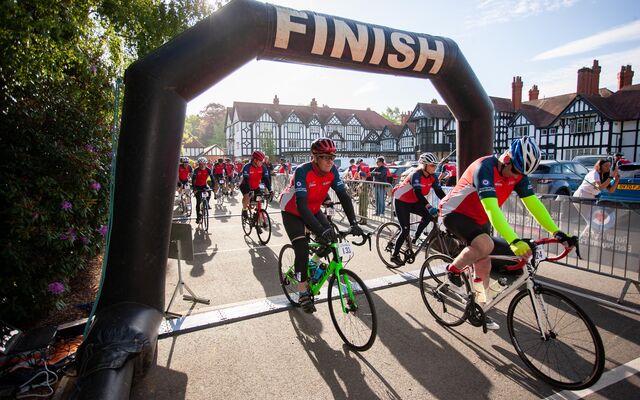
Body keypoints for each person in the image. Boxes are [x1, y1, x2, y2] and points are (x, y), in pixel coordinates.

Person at [439, 136, 577, 330]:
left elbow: (534, 205)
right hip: (455, 212)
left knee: (484, 262)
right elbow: (492, 209)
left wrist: (557, 232)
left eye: (520, 174)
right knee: (484, 246)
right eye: (514, 170)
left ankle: (478, 306)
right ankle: (452, 269)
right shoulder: (484, 168)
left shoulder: (518, 173)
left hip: (478, 218)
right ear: (506, 159)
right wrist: (513, 240)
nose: (515, 176)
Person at [279, 138, 363, 313]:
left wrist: (354, 222)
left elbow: (344, 196)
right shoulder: (303, 171)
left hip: (314, 207)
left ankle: (313, 263)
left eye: (332, 157)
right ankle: (302, 291)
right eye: (325, 157)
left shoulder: (332, 171)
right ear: (315, 157)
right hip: (292, 210)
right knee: (301, 249)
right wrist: (320, 230)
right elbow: (301, 205)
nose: (330, 161)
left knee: (331, 240)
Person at [390, 153, 446, 266]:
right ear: (424, 165)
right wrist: (429, 206)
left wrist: (448, 203)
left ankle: (415, 237)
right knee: (405, 230)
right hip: (401, 201)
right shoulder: (416, 174)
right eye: (432, 165)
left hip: (413, 201)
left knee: (429, 216)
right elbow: (418, 193)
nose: (434, 168)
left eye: (435, 165)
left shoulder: (433, 176)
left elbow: (439, 192)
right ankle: (394, 255)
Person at [572, 158, 620, 237]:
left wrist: (617, 180)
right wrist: (611, 177)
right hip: (582, 195)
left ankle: (583, 238)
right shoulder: (594, 174)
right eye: (606, 166)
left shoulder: (604, 176)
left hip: (589, 197)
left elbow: (611, 190)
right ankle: (590, 237)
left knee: (593, 220)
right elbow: (599, 187)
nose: (608, 168)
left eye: (609, 166)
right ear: (599, 166)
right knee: (592, 220)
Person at [240, 151, 272, 219]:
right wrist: (249, 191)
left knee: (259, 200)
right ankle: (244, 209)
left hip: (256, 186)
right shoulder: (247, 167)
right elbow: (246, 179)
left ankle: (258, 219)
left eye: (262, 160)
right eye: (260, 160)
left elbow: (266, 179)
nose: (262, 162)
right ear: (255, 160)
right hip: (245, 185)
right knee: (247, 196)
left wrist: (270, 190)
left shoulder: (263, 168)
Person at [191, 157, 214, 224]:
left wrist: (213, 186)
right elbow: (193, 180)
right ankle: (198, 216)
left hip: (204, 185)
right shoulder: (196, 170)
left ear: (206, 164)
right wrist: (194, 188)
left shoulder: (208, 170)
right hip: (197, 186)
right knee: (198, 202)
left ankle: (206, 203)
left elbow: (212, 178)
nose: (202, 166)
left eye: (204, 164)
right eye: (201, 164)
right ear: (199, 164)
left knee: (209, 192)